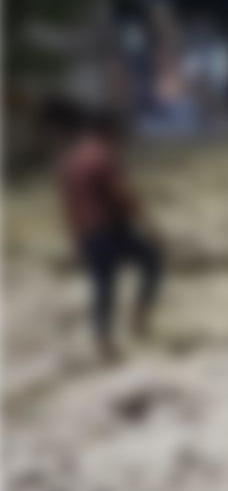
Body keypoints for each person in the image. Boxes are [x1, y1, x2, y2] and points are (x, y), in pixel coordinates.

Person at [59, 112, 162, 360]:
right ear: (108, 132)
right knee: (152, 260)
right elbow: (120, 194)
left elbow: (69, 204)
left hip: (86, 232)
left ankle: (103, 342)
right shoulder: (103, 156)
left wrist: (76, 237)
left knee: (103, 286)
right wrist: (146, 223)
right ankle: (139, 316)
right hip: (110, 229)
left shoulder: (70, 160)